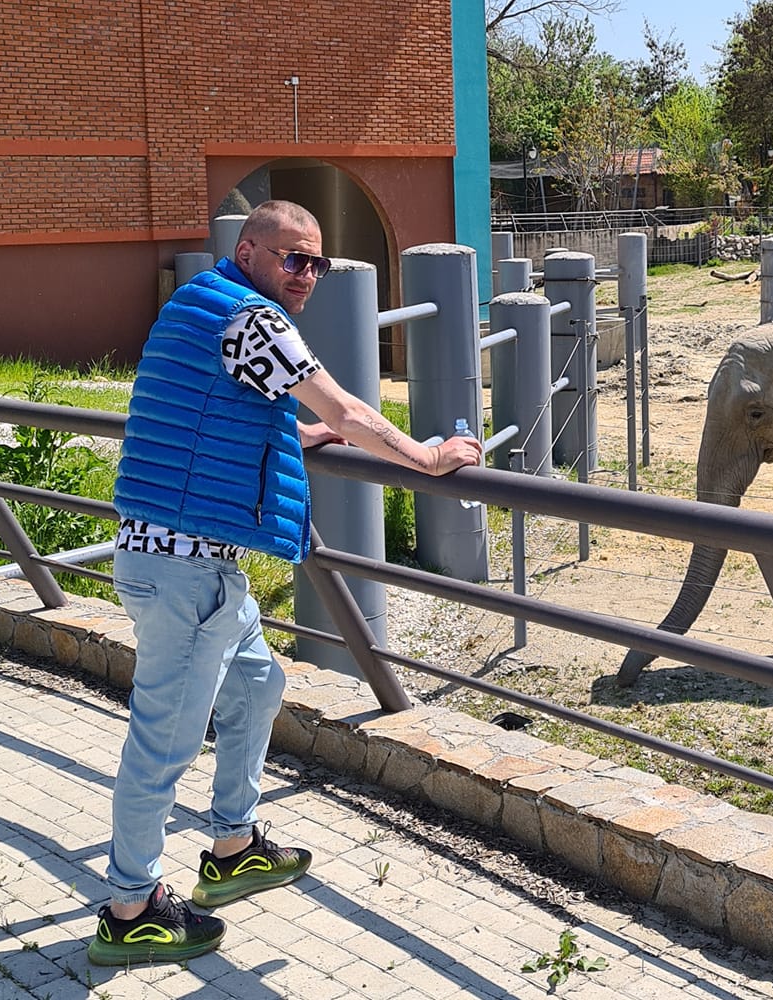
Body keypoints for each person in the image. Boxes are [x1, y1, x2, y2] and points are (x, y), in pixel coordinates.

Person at [88, 200, 481, 966]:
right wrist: (430, 460)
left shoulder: (199, 306)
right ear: (250, 250)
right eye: (292, 258)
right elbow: (345, 404)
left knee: (259, 686)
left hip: (186, 567)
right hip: (185, 571)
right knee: (162, 743)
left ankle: (233, 845)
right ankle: (130, 907)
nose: (307, 274)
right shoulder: (255, 320)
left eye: (318, 262)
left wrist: (302, 435)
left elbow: (212, 413)